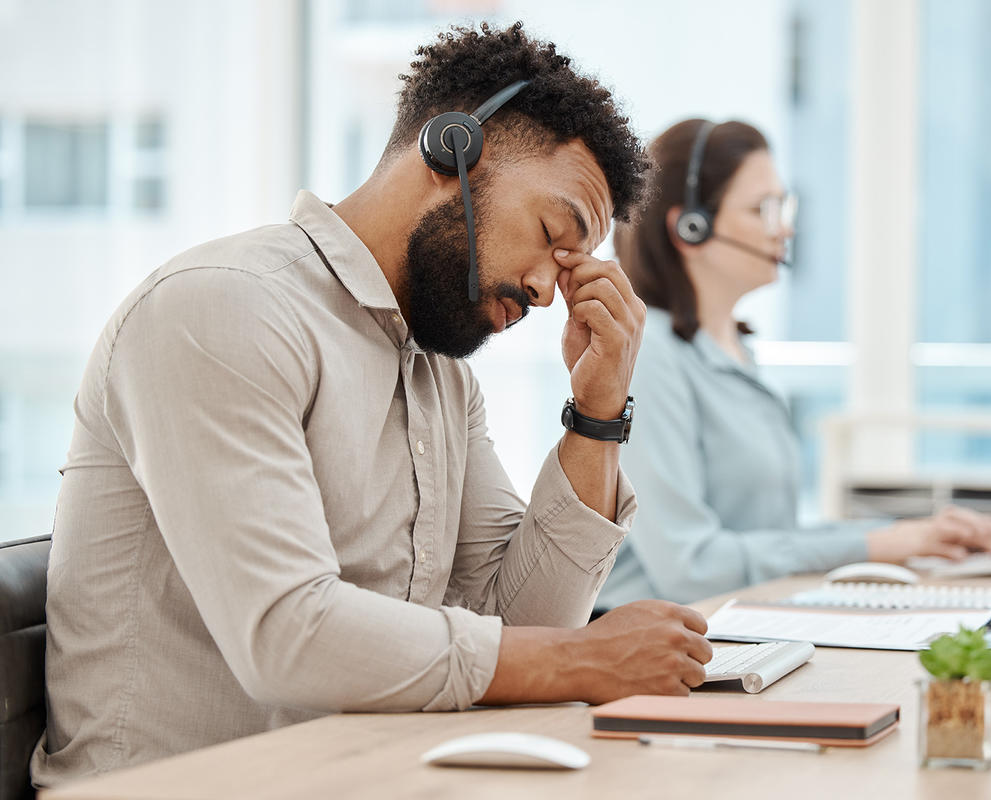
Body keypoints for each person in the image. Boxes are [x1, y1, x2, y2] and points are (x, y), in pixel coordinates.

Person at [33, 24, 714, 787]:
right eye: (553, 235)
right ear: (450, 147)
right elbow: (289, 636)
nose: (550, 292)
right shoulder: (222, 309)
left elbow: (523, 630)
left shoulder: (443, 381)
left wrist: (597, 410)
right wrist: (588, 658)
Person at [596, 119, 991, 609]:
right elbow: (691, 566)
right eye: (762, 209)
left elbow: (773, 537)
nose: (784, 227)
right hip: (646, 643)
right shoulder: (651, 355)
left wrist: (907, 535)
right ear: (690, 228)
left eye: (783, 206)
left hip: (736, 624)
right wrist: (879, 545)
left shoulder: (735, 354)